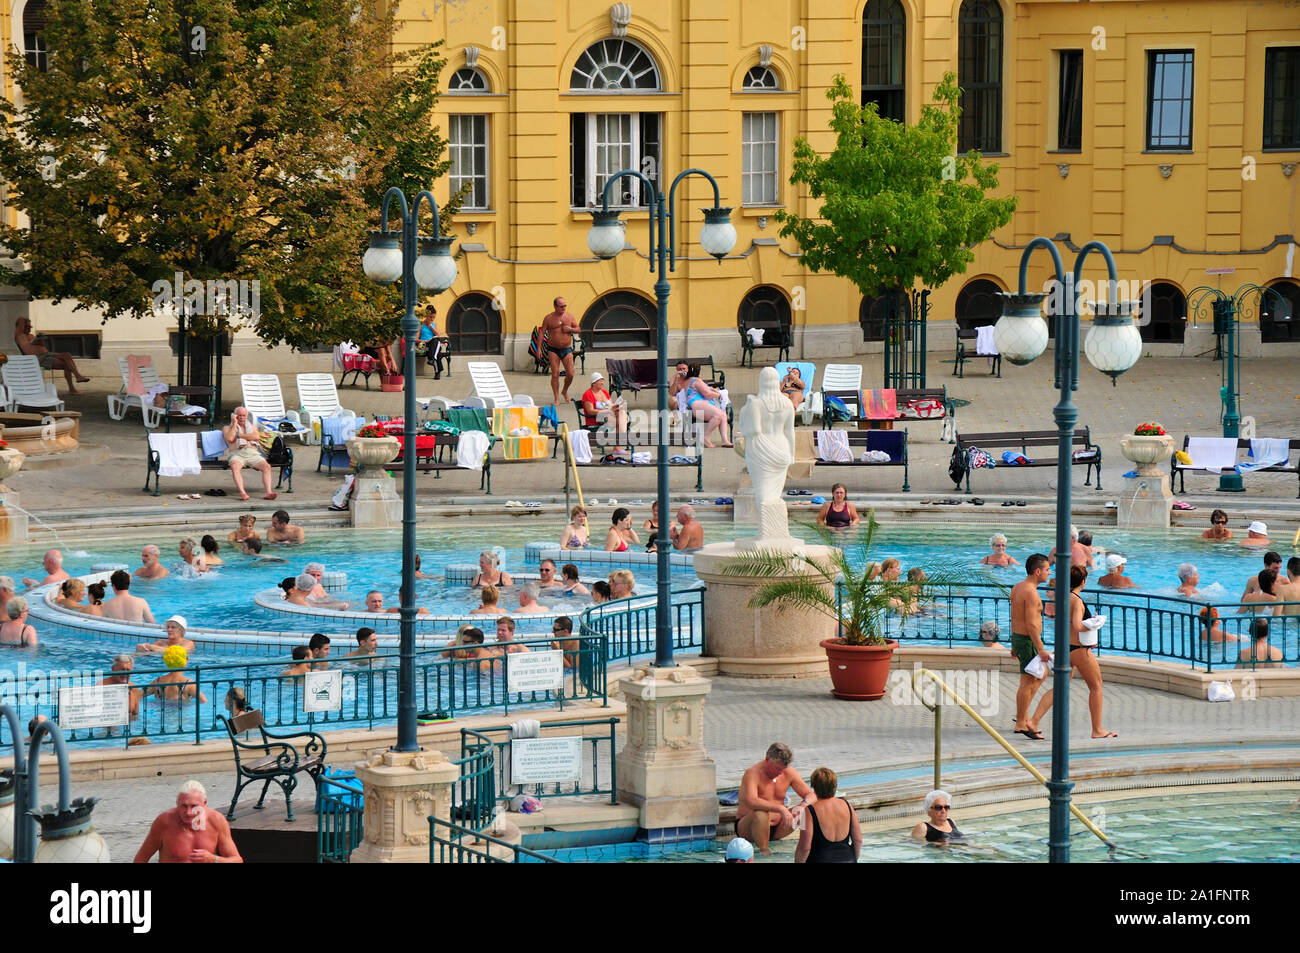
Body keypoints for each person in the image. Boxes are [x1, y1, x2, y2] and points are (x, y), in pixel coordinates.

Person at [1030, 565, 1116, 739]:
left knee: (1059, 688)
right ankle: (1097, 729)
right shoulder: (1076, 600)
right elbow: (1077, 625)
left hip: (1065, 648)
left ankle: (1033, 721)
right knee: (1096, 686)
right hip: (1078, 649)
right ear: (1083, 582)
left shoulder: (1062, 598)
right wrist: (1094, 623)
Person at [134, 780, 242, 864]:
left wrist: (214, 859)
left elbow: (237, 860)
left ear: (204, 803)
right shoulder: (164, 822)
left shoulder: (216, 821)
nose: (189, 812)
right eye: (184, 806)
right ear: (177, 803)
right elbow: (140, 859)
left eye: (194, 806)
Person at [736, 742, 816, 855]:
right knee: (761, 812)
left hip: (779, 828)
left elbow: (812, 795)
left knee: (803, 811)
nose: (779, 773)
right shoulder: (752, 773)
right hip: (749, 829)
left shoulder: (788, 772)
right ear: (767, 759)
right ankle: (764, 852)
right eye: (777, 768)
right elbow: (751, 801)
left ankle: (806, 847)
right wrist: (780, 808)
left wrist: (803, 805)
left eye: (782, 769)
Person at [1011, 554, 1052, 741]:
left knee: (1039, 675)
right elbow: (1031, 624)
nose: (1049, 573)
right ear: (1037, 571)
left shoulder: (1017, 587)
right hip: (1028, 640)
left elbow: (1014, 617)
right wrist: (1041, 648)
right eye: (1047, 570)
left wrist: (1014, 643)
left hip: (1020, 638)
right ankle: (1021, 722)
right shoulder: (1031, 593)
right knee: (1027, 681)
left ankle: (1023, 715)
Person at [794, 766, 861, 863]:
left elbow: (804, 847)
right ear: (834, 786)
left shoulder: (809, 811)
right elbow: (858, 840)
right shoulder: (847, 805)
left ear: (814, 787)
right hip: (848, 859)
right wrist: (853, 859)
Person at [14, 316, 92, 393]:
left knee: (67, 356)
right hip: (37, 359)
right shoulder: (19, 335)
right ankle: (76, 381)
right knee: (66, 363)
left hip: (46, 354)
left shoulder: (31, 336)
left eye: (30, 327)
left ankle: (76, 379)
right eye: (27, 326)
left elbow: (41, 347)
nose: (29, 328)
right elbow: (20, 319)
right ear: (22, 326)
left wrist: (40, 342)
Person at [221, 406, 278, 502]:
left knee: (266, 467)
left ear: (247, 416)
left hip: (252, 453)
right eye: (239, 415)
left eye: (243, 415)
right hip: (237, 454)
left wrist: (239, 435)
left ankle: (268, 492)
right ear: (234, 416)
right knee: (234, 467)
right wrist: (235, 424)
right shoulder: (227, 428)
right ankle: (243, 492)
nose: (241, 417)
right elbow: (230, 438)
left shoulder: (252, 427)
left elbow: (256, 437)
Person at [541, 296, 581, 405]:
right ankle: (556, 397)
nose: (564, 308)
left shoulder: (569, 316)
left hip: (567, 349)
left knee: (571, 373)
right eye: (561, 306)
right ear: (555, 306)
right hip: (553, 349)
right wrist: (539, 349)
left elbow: (578, 329)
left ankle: (564, 391)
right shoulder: (548, 318)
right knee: (555, 374)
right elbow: (541, 332)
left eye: (565, 306)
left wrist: (571, 329)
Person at [682, 363, 731, 448]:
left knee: (723, 415)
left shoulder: (688, 380)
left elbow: (705, 388)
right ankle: (706, 437)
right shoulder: (696, 380)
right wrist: (719, 395)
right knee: (718, 415)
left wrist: (712, 390)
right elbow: (707, 394)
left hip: (695, 405)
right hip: (698, 403)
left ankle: (725, 440)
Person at [580, 370, 628, 442]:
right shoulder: (588, 394)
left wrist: (616, 407)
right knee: (622, 419)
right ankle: (620, 441)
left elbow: (612, 406)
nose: (602, 383)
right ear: (593, 383)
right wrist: (606, 410)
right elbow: (590, 411)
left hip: (608, 416)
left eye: (602, 380)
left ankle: (618, 443)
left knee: (622, 413)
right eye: (600, 381)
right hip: (596, 419)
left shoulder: (605, 392)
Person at [99, 654, 144, 718]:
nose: (125, 673)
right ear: (113, 669)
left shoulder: (134, 688)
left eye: (128, 670)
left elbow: (136, 714)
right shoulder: (102, 686)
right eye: (122, 670)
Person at [420, 304, 451, 379]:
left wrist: (431, 327)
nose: (432, 319)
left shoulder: (434, 325)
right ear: (426, 316)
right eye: (430, 317)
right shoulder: (420, 325)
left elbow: (439, 335)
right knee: (438, 354)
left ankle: (432, 359)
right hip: (426, 346)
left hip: (435, 346)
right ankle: (437, 371)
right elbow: (416, 339)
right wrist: (426, 341)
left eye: (434, 317)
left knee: (436, 340)